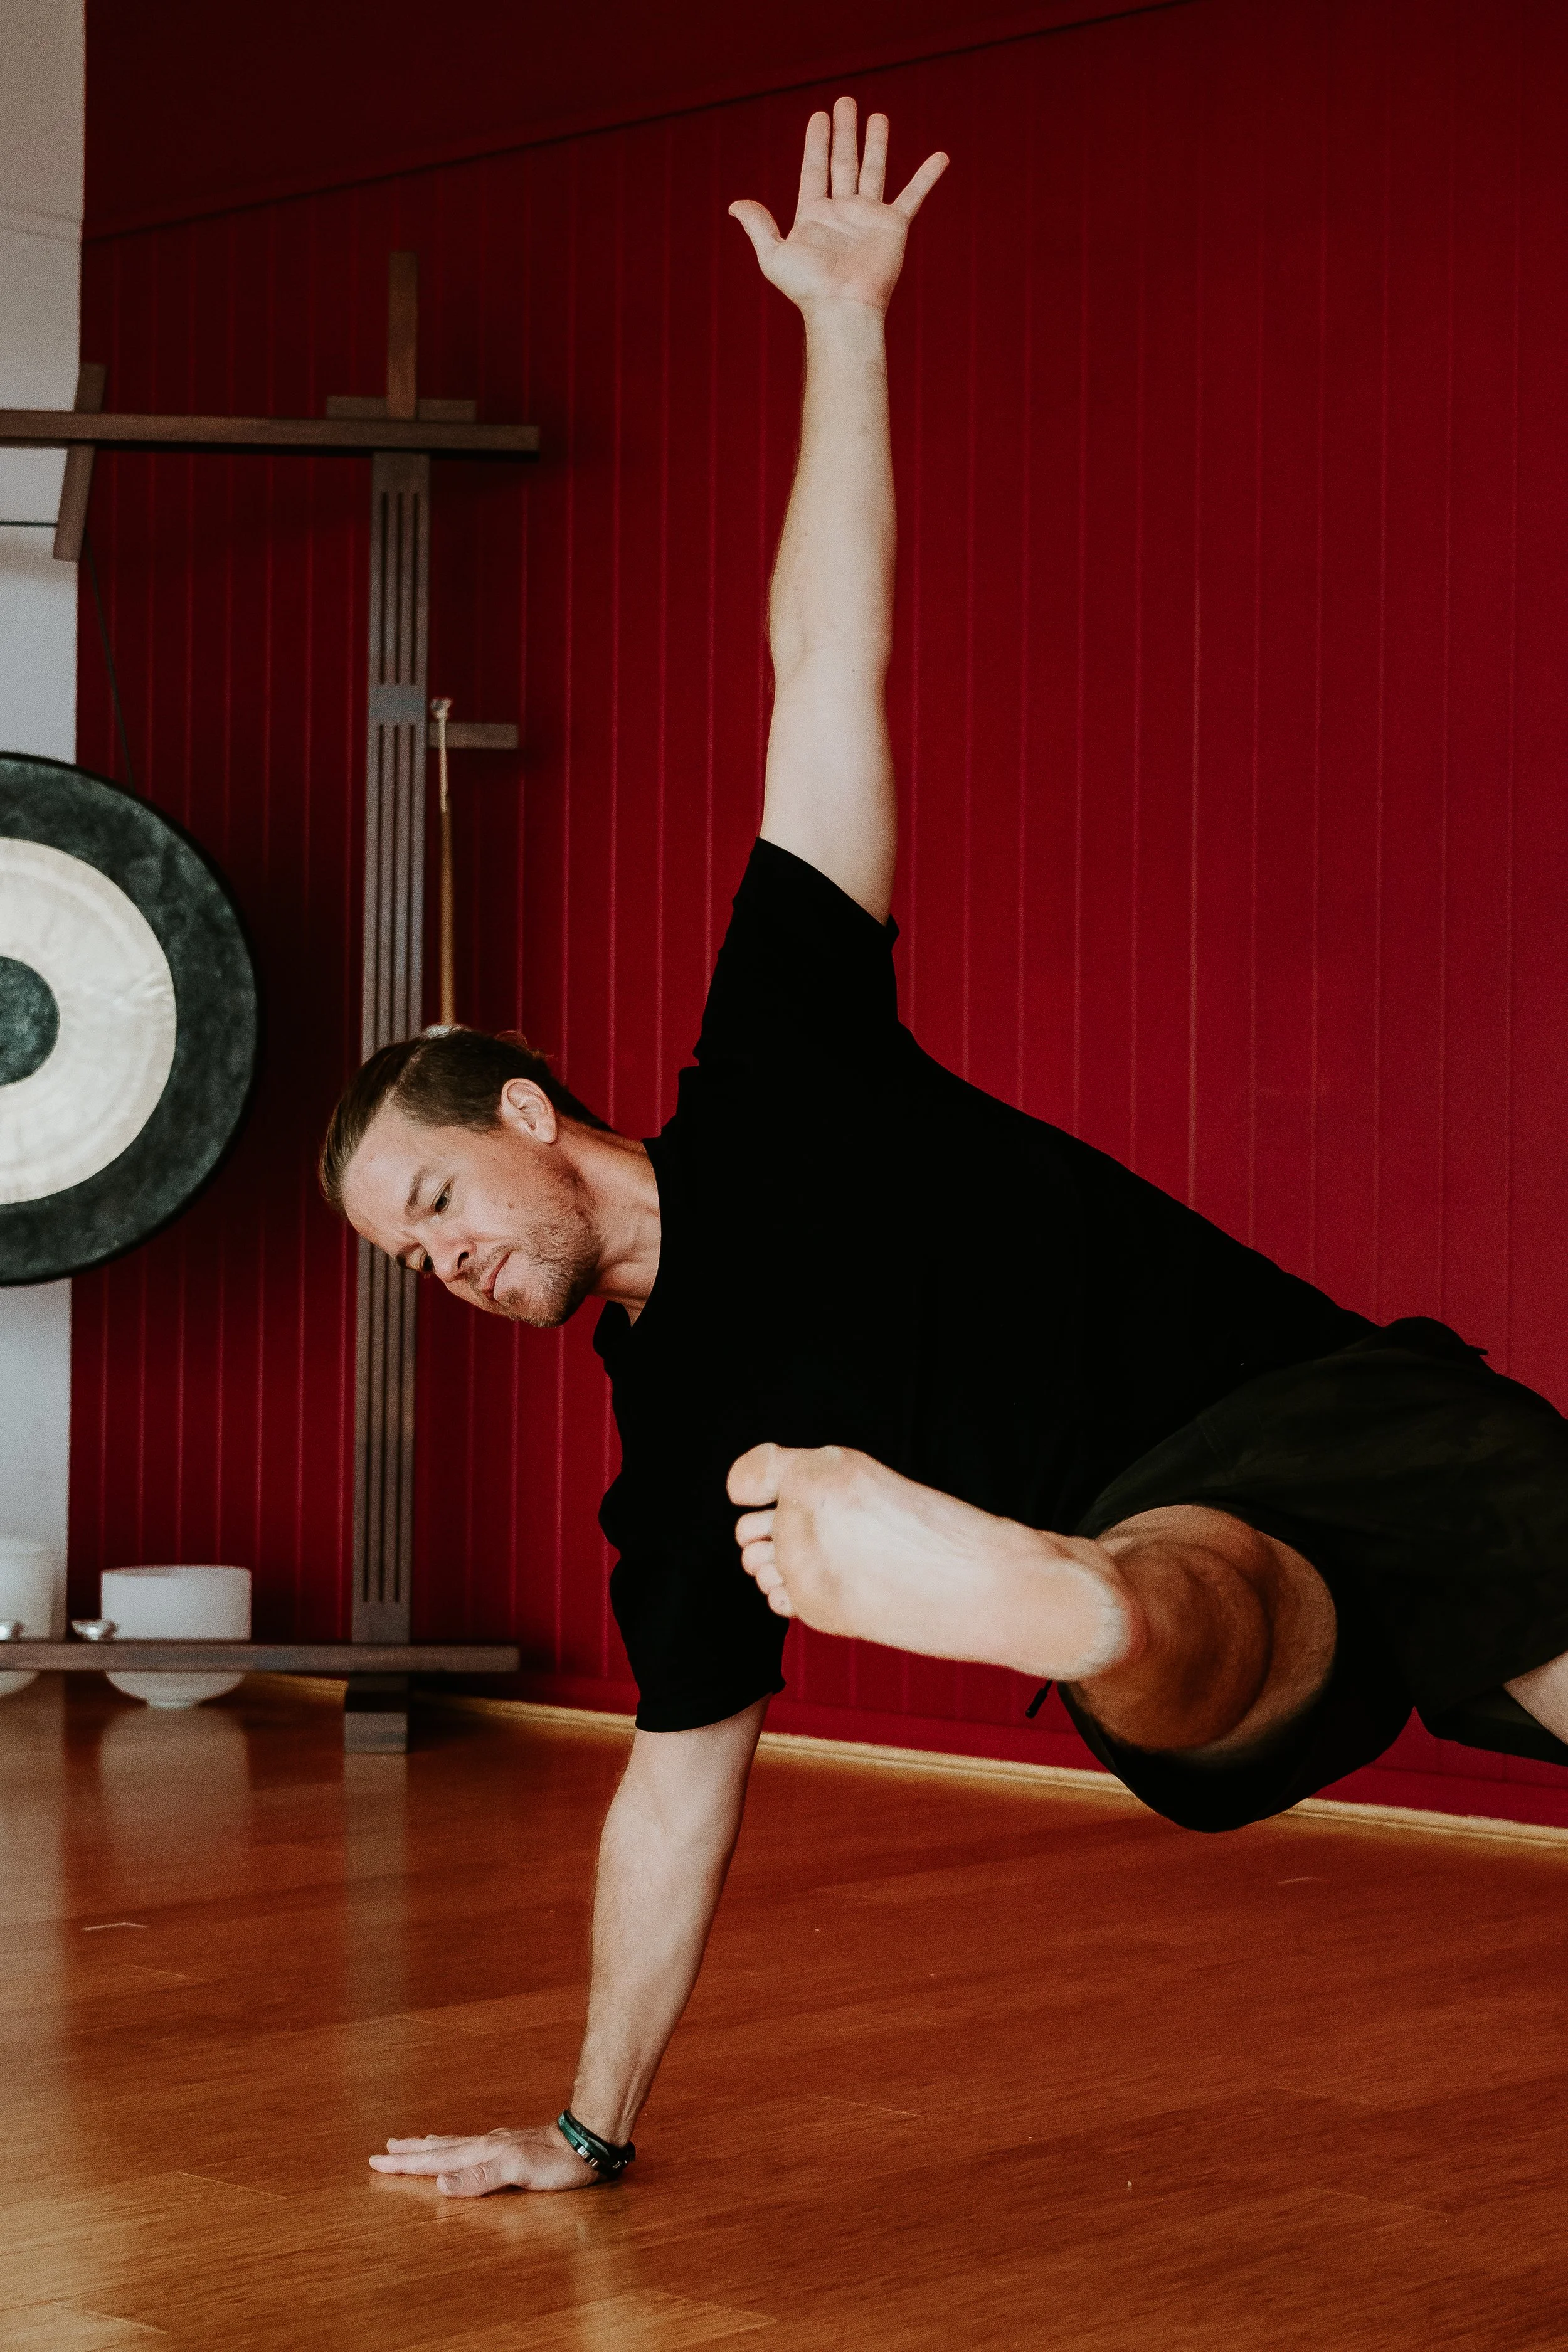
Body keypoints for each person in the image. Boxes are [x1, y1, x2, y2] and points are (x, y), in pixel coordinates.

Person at [324, 98, 1568, 2201]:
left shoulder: (785, 1057)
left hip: (1332, 1412)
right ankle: (1063, 1600)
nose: (431, 1262)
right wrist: (581, 2119)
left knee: (1443, 1625)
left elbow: (828, 667)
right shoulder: (677, 1458)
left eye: (432, 1201)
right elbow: (673, 1794)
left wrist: (843, 325)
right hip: (1187, 1560)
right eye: (401, 1260)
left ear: (528, 1110)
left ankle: (1061, 1602)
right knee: (1195, 1610)